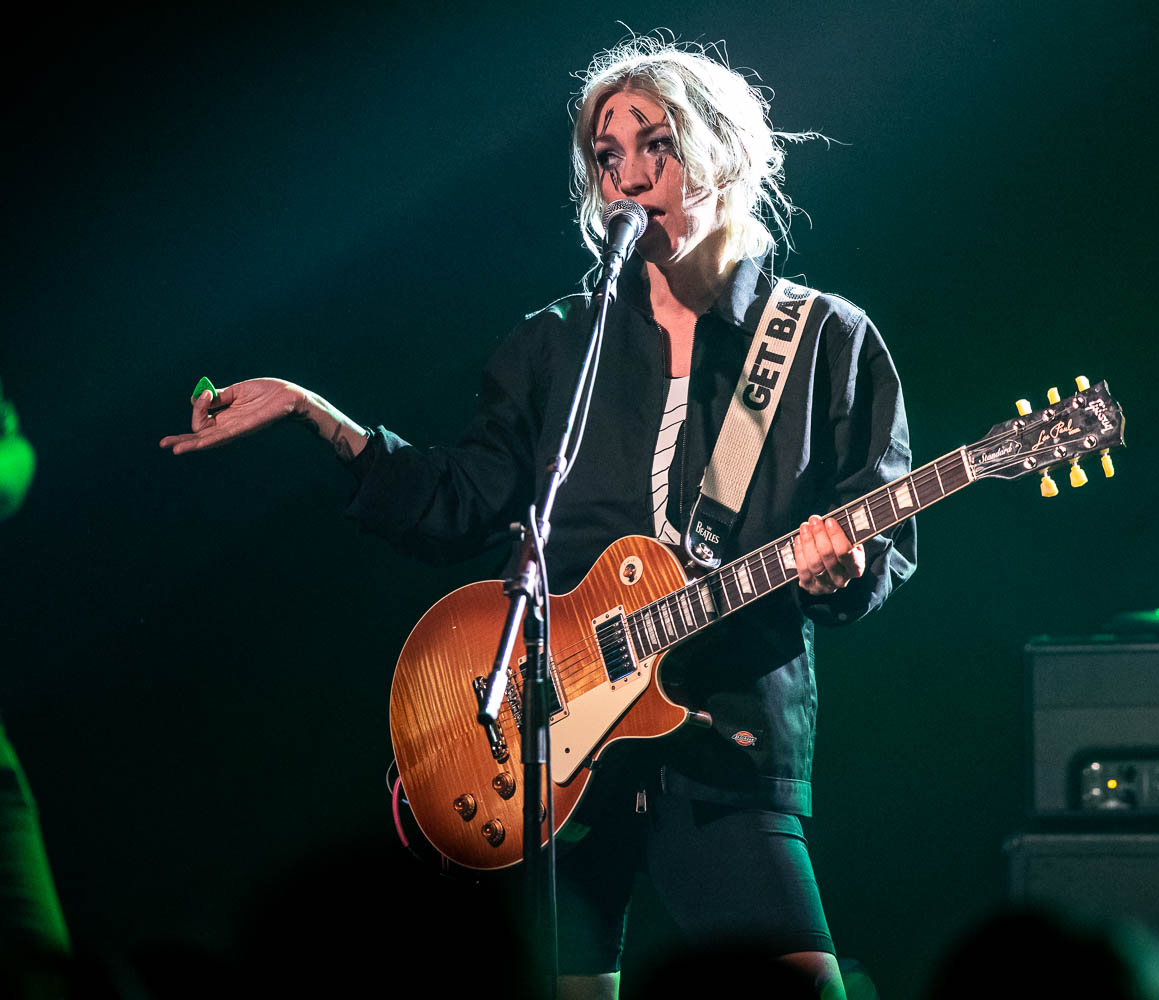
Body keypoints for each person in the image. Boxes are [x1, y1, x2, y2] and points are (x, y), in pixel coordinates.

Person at [161, 36, 916, 1000]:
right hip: (554, 749)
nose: (630, 177)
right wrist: (319, 417)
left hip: (723, 742)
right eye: (608, 156)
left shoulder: (822, 339)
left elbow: (878, 540)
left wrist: (841, 567)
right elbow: (455, 501)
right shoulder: (558, 344)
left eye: (657, 144)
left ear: (722, 150)